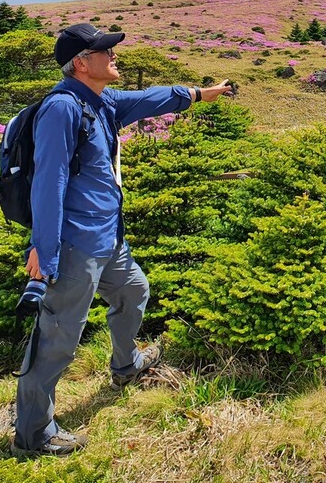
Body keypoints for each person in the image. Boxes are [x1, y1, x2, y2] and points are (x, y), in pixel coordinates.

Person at [12, 23, 233, 456]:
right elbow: (49, 182)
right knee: (58, 338)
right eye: (105, 51)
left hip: (108, 238)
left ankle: (126, 364)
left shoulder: (102, 102)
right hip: (75, 244)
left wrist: (201, 93)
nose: (115, 56)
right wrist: (44, 249)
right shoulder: (63, 109)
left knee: (135, 290)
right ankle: (34, 434)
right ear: (81, 62)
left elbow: (150, 99)